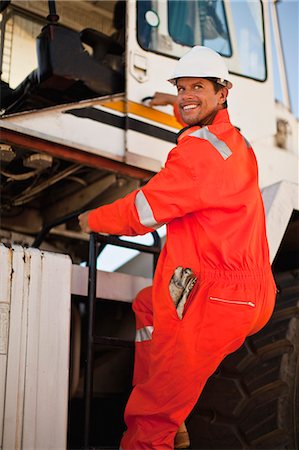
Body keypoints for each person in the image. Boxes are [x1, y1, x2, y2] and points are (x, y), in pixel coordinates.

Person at [78, 45, 277, 450]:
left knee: (150, 421)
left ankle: (165, 412)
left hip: (216, 298)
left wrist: (91, 220)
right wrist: (177, 101)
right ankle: (171, 401)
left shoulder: (200, 153)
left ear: (224, 92)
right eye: (182, 87)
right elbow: (196, 120)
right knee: (149, 305)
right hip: (248, 293)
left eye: (197, 88)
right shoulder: (233, 141)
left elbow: (143, 211)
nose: (187, 95)